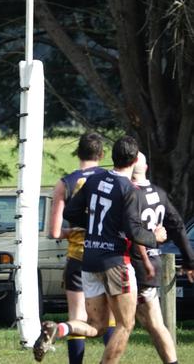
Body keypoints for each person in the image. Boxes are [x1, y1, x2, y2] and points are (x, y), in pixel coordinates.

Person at [33, 136, 168, 363]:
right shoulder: (130, 190)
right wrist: (155, 237)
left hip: (89, 260)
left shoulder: (94, 180)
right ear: (135, 160)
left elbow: (70, 213)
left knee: (97, 326)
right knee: (126, 324)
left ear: (112, 157)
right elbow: (134, 232)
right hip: (116, 262)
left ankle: (59, 328)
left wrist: (96, 227)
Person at [48, 132, 113, 363]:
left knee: (76, 315)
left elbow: (54, 232)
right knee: (111, 317)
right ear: (102, 154)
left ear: (78, 153)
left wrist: (73, 232)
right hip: (106, 254)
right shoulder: (110, 179)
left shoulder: (65, 183)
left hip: (77, 257)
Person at [131, 151, 194, 364]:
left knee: (124, 324)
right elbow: (177, 225)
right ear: (146, 168)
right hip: (152, 261)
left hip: (135, 264)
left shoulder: (128, 194)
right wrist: (189, 260)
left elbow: (132, 232)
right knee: (151, 323)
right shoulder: (159, 194)